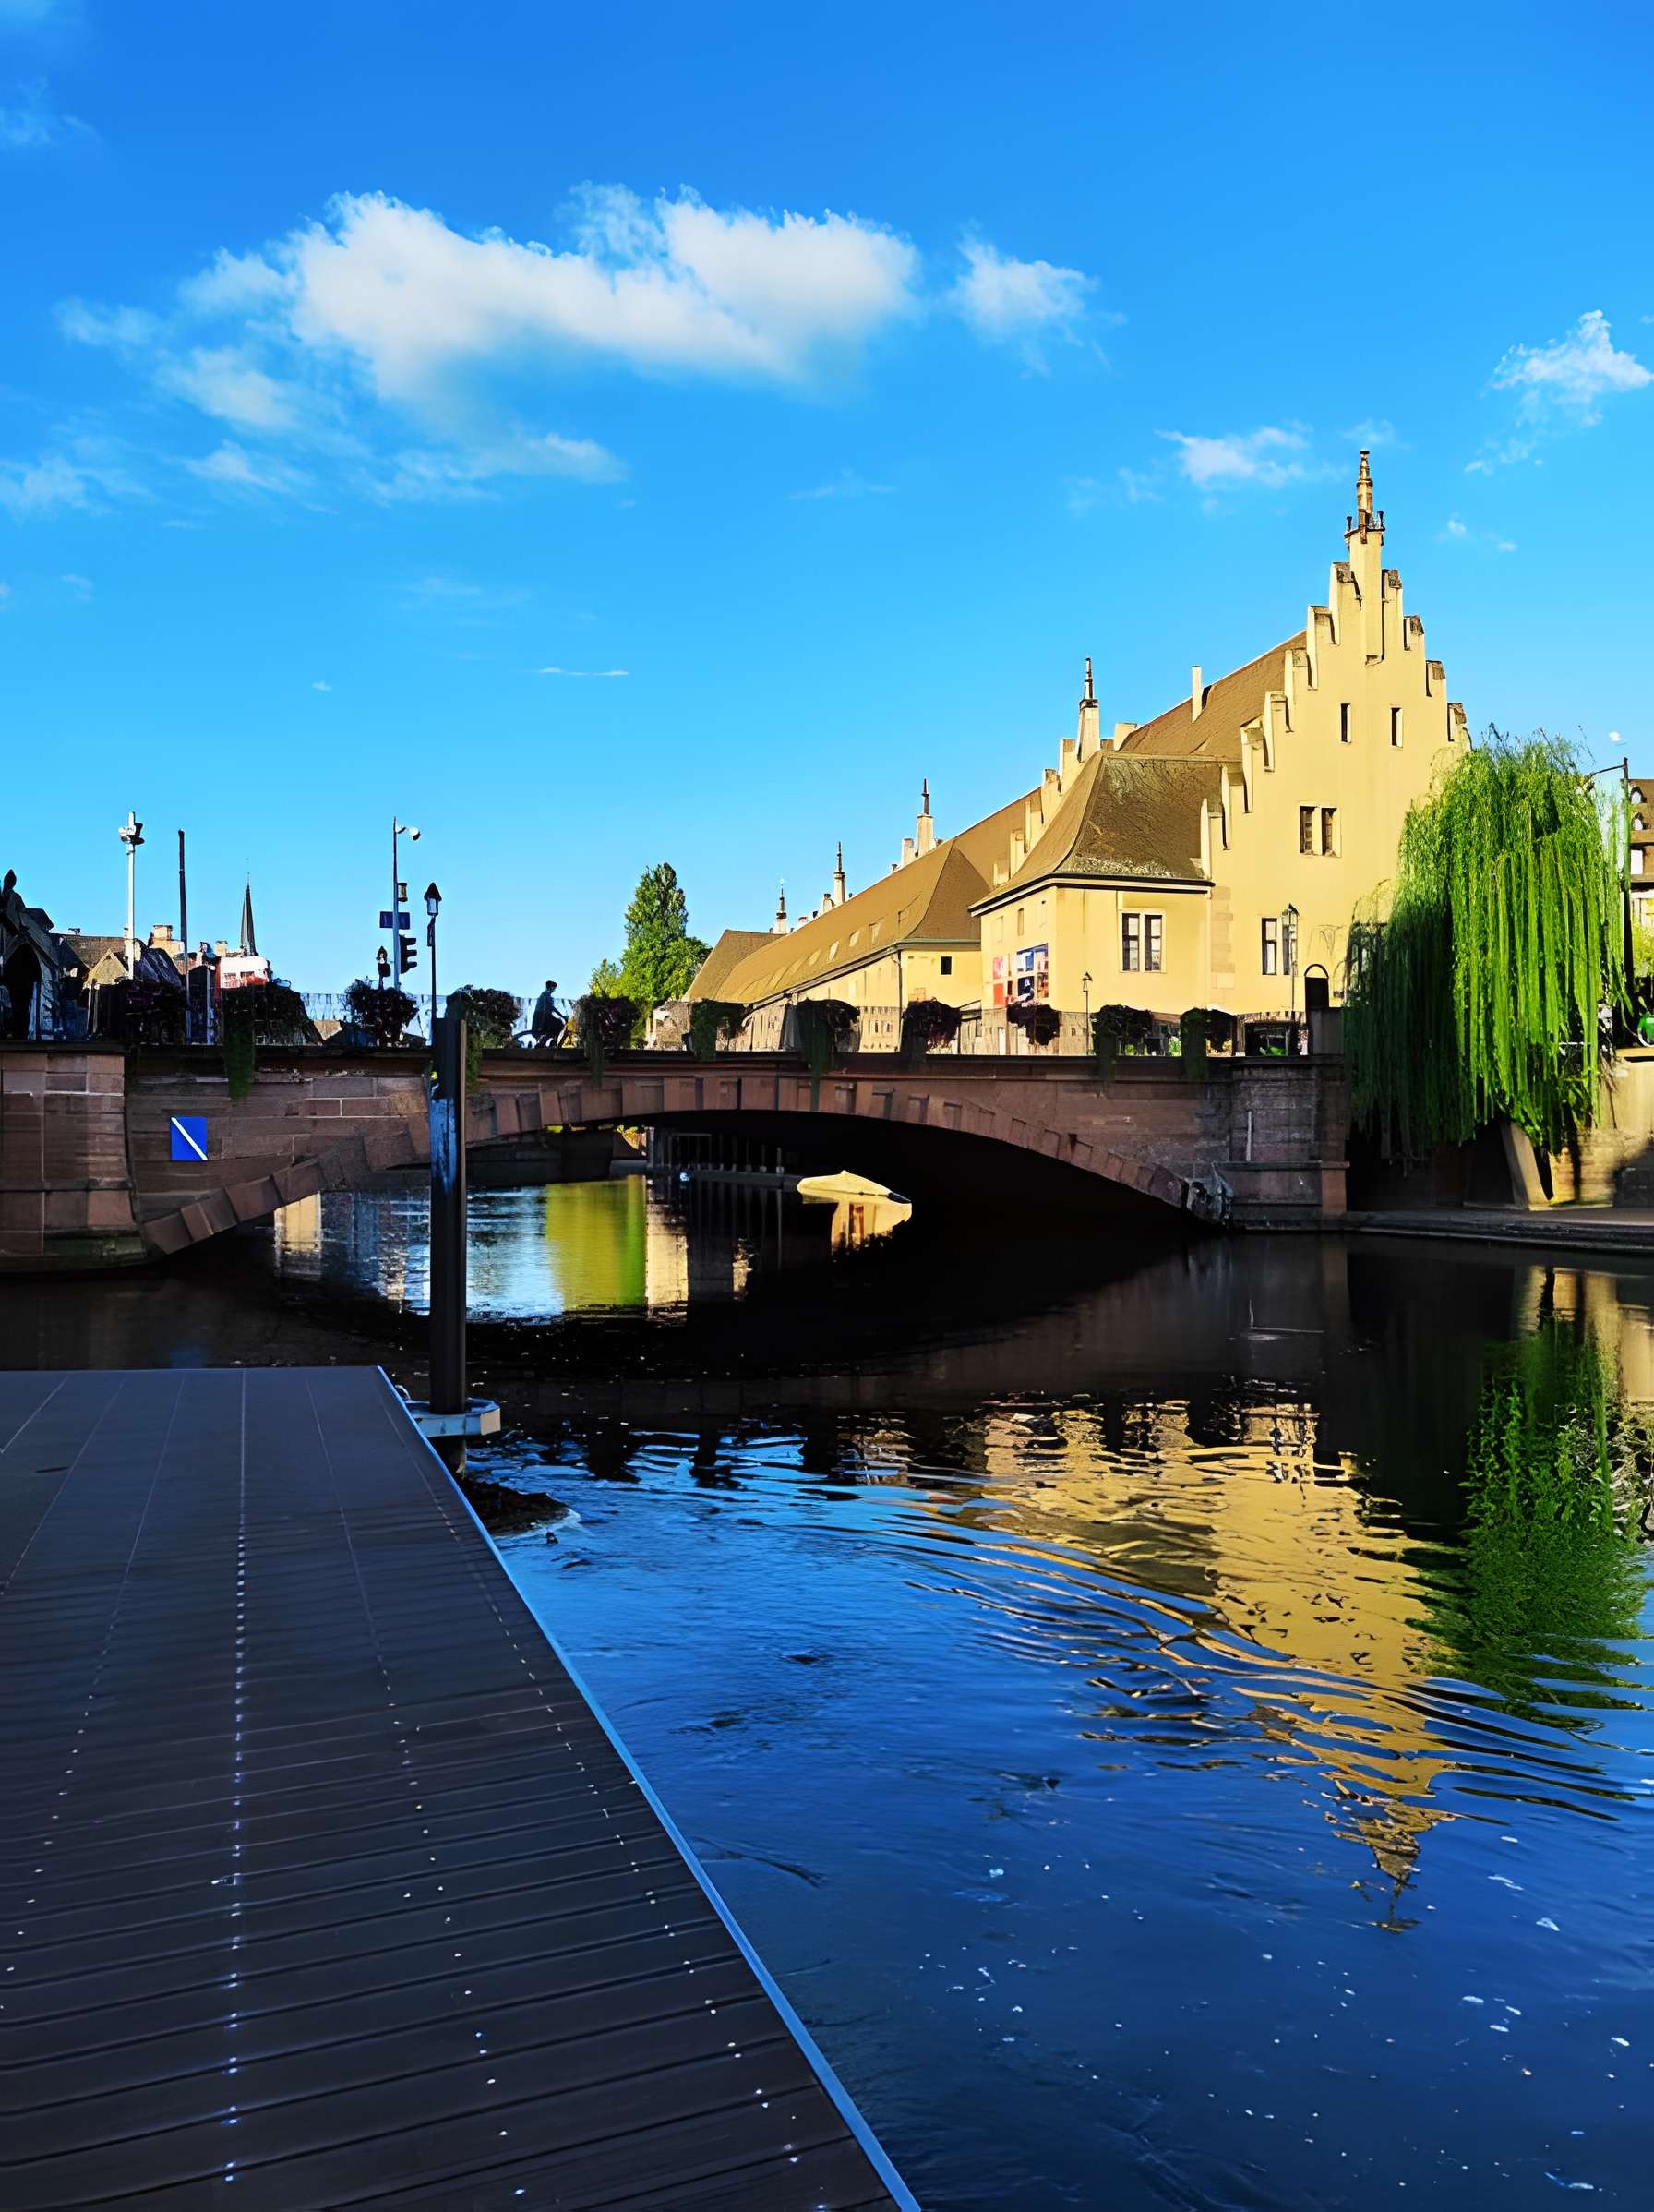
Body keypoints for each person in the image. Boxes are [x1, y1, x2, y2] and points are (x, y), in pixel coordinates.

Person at [529, 980, 565, 1049]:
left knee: (557, 1024)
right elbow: (551, 1007)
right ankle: (545, 1040)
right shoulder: (546, 994)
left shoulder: (545, 994)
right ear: (551, 987)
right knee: (559, 1024)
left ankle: (544, 1041)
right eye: (554, 988)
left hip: (542, 1016)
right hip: (542, 1016)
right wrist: (563, 1016)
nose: (554, 990)